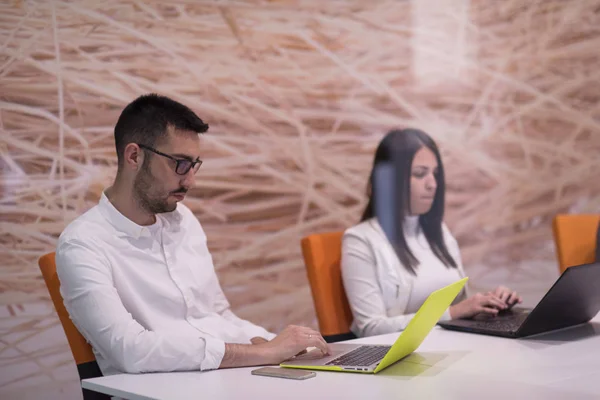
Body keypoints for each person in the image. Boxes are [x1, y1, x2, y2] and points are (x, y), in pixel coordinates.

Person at [56, 94, 329, 375]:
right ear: (134, 156)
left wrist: (276, 344)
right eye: (180, 163)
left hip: (222, 378)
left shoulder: (183, 220)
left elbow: (217, 314)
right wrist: (263, 352)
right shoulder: (82, 244)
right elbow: (130, 350)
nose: (190, 180)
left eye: (194, 165)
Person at [341, 128, 522, 337]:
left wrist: (490, 303)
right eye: (420, 174)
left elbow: (460, 307)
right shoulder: (360, 240)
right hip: (398, 358)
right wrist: (452, 313)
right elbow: (370, 328)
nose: (432, 184)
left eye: (435, 174)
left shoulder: (439, 232)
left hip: (452, 347)